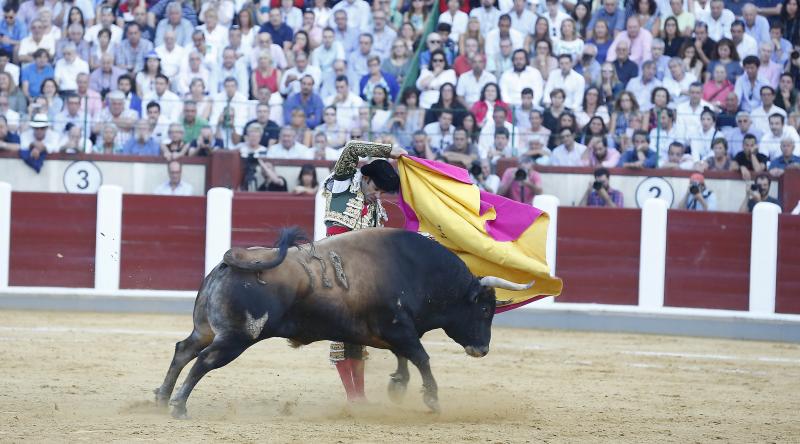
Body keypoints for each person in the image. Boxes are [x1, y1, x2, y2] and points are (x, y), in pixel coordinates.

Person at [322, 140, 407, 403]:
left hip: (362, 277)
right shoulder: (343, 183)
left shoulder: (377, 210)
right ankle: (352, 396)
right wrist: (388, 150)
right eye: (376, 188)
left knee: (358, 336)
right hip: (332, 267)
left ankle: (359, 396)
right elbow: (350, 149)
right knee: (339, 334)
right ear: (365, 178)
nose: (378, 195)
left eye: (383, 192)